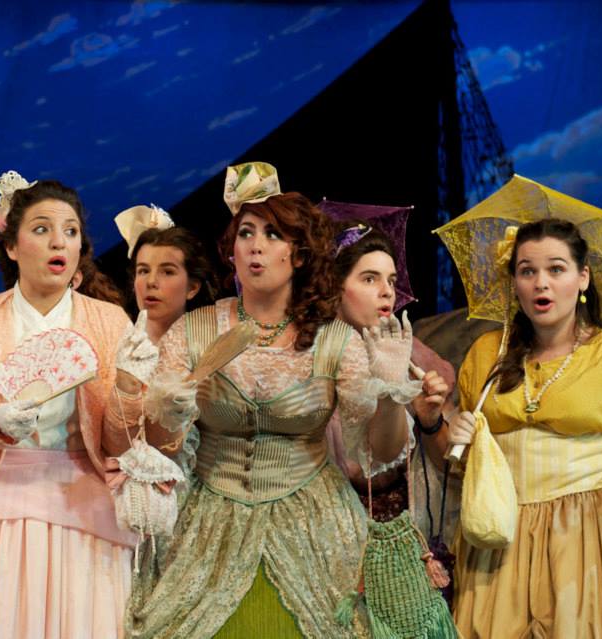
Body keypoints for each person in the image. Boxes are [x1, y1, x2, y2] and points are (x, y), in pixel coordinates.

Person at [120, 163, 421, 639]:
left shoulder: (334, 339)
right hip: (208, 526)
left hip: (314, 525)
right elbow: (161, 448)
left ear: (298, 254)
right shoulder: (195, 330)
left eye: (272, 234)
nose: (255, 245)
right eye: (246, 233)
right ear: (232, 250)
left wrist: (390, 392)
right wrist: (168, 411)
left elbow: (380, 454)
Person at [0, 172, 146, 639]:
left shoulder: (109, 321)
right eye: (41, 229)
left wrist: (131, 392)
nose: (59, 241)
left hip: (82, 504)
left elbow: (120, 444)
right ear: (12, 246)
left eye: (70, 231)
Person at [448, 218, 602, 637]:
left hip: (590, 539)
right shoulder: (487, 353)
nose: (541, 283)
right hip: (501, 541)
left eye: (556, 269)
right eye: (527, 271)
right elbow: (467, 467)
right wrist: (454, 434)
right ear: (514, 283)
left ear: (583, 278)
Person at [328, 222, 456, 541]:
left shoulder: (407, 353)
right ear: (334, 287)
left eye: (392, 280)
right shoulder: (314, 355)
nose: (387, 291)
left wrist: (430, 420)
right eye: (369, 278)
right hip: (334, 523)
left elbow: (447, 465)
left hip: (404, 523)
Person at [116, 203, 215, 343]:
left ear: (192, 288)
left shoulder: (216, 344)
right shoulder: (112, 346)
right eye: (143, 271)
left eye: (167, 272)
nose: (151, 282)